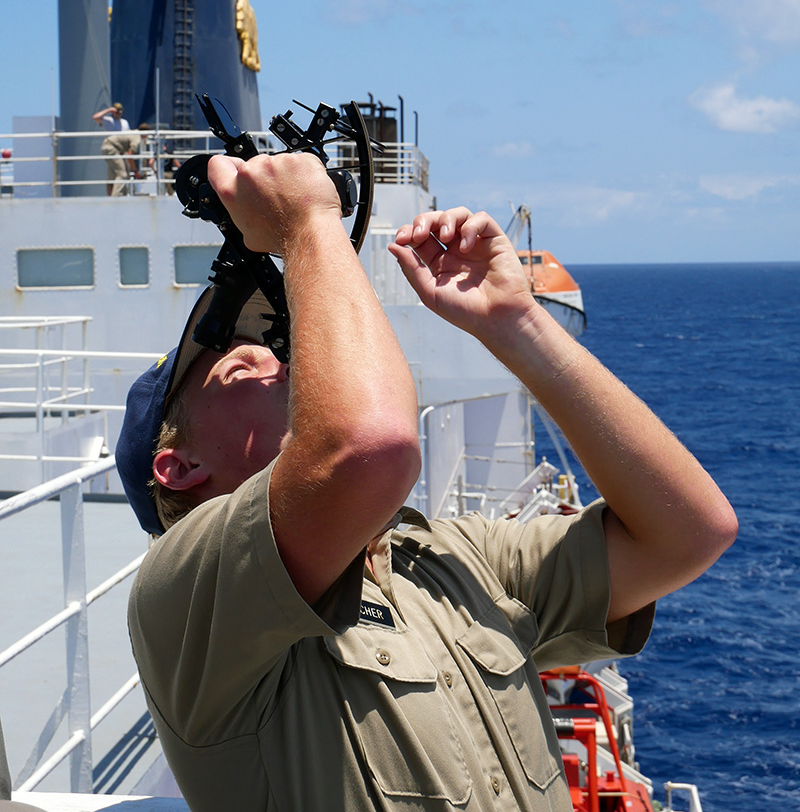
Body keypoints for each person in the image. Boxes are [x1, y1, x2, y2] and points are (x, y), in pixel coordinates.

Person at [118, 151, 737, 812]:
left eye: (278, 351)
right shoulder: (188, 597)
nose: (280, 365)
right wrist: (305, 222)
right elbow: (368, 447)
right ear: (178, 466)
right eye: (242, 368)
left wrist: (516, 323)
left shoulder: (446, 559)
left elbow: (691, 531)